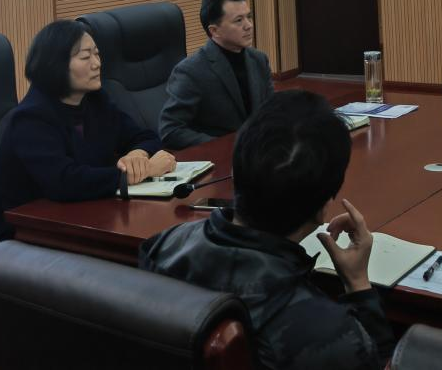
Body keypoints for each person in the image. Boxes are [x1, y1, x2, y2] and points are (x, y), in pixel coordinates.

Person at [140, 90, 395, 370]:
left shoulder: (163, 246)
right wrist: (358, 284)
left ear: (236, 174)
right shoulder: (328, 335)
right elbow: (376, 362)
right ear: (323, 208)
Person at [0, 20, 175, 236]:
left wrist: (137, 155)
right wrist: (142, 172)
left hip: (86, 216)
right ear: (55, 64)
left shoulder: (95, 101)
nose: (96, 64)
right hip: (28, 231)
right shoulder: (30, 118)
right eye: (85, 57)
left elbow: (145, 136)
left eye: (97, 54)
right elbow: (64, 182)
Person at [158, 0, 274, 149]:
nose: (249, 25)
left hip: (259, 151)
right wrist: (223, 145)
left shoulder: (259, 60)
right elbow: (170, 130)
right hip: (220, 156)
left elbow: (271, 110)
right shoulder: (191, 71)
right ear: (214, 31)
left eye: (249, 17)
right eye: (238, 20)